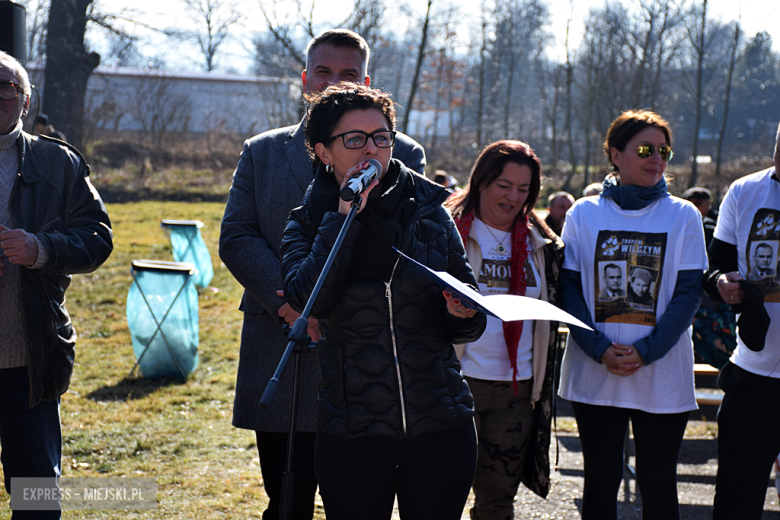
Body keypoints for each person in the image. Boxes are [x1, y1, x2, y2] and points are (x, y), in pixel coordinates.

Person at [219, 29, 425, 520]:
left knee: (357, 503)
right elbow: (238, 236)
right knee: (286, 499)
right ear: (304, 78)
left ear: (367, 81)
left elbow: (406, 245)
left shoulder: (402, 154)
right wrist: (291, 301)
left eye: (348, 74)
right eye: (324, 72)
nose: (334, 82)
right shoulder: (262, 151)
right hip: (282, 342)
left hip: (363, 354)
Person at [279, 83, 486, 520]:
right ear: (323, 152)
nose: (371, 149)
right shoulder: (307, 223)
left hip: (441, 425)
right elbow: (310, 300)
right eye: (354, 139)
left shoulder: (429, 212)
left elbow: (469, 321)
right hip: (353, 432)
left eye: (381, 137)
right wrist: (343, 214)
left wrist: (461, 311)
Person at [558, 109, 706, 520]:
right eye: (644, 149)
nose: (656, 158)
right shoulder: (583, 213)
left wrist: (646, 352)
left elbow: (689, 293)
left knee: (658, 487)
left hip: (660, 372)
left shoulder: (683, 215)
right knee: (600, 484)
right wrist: (600, 348)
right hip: (595, 369)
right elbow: (568, 288)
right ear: (614, 153)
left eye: (664, 150)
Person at [0, 51, 113, 518]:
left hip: (29, 355)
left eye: (7, 88)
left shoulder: (58, 162)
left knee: (36, 497)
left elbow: (97, 238)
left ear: (26, 102)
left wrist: (40, 248)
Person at [445, 140, 563, 518]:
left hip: (516, 390)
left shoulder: (541, 243)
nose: (514, 197)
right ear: (481, 182)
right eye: (504, 185)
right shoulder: (446, 230)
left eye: (524, 189)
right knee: (440, 497)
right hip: (451, 384)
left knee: (497, 502)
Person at [705, 121, 780, 519]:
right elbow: (715, 265)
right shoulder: (746, 190)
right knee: (736, 502)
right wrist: (721, 282)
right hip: (753, 372)